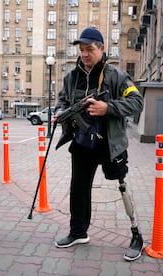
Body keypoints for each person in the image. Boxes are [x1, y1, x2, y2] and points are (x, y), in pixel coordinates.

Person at [52, 27, 144, 261]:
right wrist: (61, 111)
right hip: (83, 143)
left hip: (110, 144)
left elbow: (137, 101)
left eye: (89, 49)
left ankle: (137, 235)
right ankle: (78, 232)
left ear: (102, 49)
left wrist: (108, 108)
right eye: (81, 50)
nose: (84, 54)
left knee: (122, 186)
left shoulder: (117, 76)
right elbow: (62, 99)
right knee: (78, 188)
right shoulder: (71, 77)